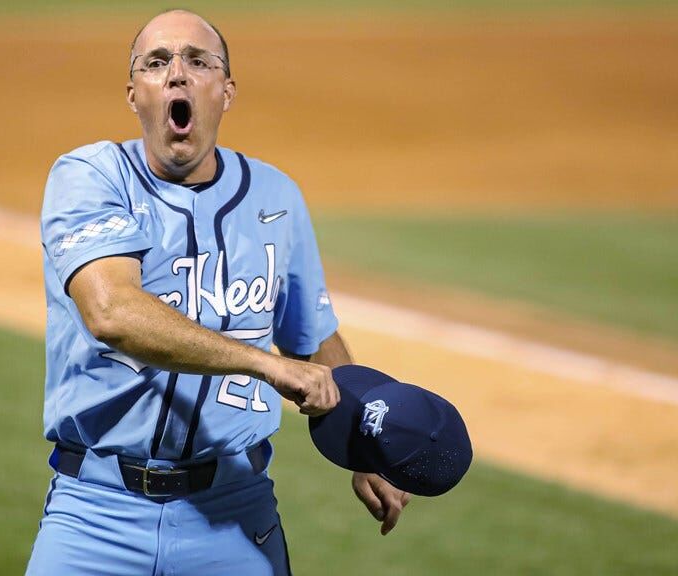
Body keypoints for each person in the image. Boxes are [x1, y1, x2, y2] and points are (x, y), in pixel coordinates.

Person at [27, 10, 410, 575]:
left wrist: (363, 443)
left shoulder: (276, 197)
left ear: (225, 92)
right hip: (94, 514)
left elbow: (311, 335)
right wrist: (263, 366)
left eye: (198, 61)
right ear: (134, 93)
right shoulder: (90, 176)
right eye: (156, 63)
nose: (177, 73)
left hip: (234, 512)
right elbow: (112, 313)